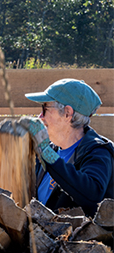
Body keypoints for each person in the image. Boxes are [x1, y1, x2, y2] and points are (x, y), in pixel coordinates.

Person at [20, 78, 114, 216]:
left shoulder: (98, 152)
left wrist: (47, 154)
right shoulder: (51, 150)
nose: (40, 116)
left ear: (67, 113)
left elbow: (92, 194)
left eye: (45, 108)